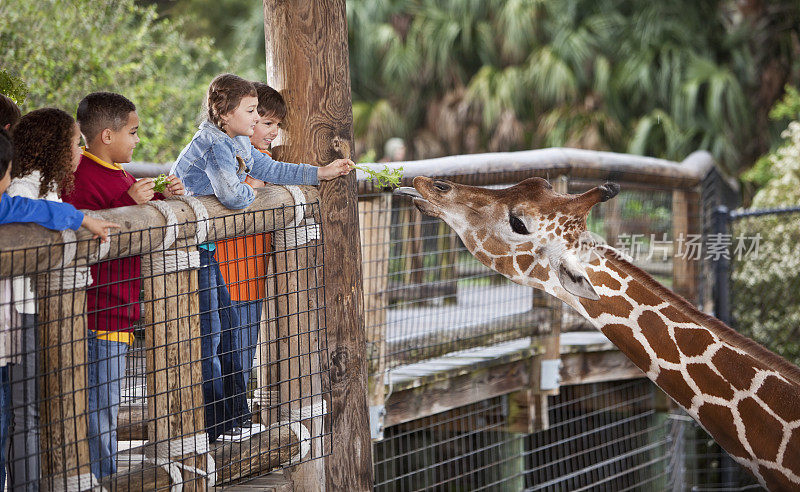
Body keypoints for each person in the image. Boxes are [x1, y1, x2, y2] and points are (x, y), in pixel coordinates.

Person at [171, 73, 352, 443]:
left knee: (227, 342)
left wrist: (319, 173)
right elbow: (234, 196)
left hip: (205, 248)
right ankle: (216, 427)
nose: (256, 120)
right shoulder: (214, 144)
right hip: (190, 252)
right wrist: (258, 192)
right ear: (224, 113)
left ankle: (228, 423)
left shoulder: (235, 140)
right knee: (211, 344)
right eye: (252, 112)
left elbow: (268, 169)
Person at [62, 92, 183, 479]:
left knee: (106, 406)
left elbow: (127, 207)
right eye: (133, 132)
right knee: (100, 409)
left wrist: (164, 195)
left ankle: (103, 477)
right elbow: (92, 225)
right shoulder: (81, 178)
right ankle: (105, 480)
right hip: (99, 312)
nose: (137, 140)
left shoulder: (121, 173)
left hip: (120, 310)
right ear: (107, 135)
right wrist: (127, 200)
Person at [0, 126, 118, 489]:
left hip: (39, 307)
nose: (81, 148)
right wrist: (79, 217)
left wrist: (76, 217)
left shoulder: (44, 188)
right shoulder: (22, 188)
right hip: (24, 309)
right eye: (73, 141)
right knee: (26, 412)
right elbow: (16, 206)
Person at [215, 82, 284, 412]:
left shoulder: (263, 159)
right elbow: (237, 199)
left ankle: (235, 418)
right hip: (229, 273)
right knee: (231, 357)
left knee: (241, 355)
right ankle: (231, 421)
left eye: (276, 125)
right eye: (265, 122)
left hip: (252, 275)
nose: (272, 131)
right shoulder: (233, 156)